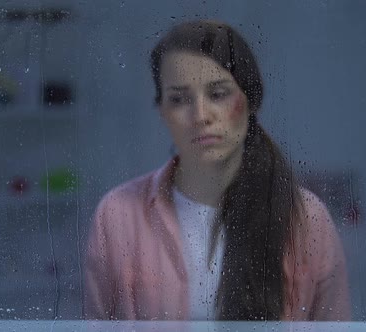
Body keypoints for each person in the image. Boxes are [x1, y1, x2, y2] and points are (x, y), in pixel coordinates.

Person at [83, 20, 350, 321]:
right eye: (179, 99)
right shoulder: (118, 214)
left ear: (250, 100)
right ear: (162, 111)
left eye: (218, 94)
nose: (200, 116)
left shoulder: (305, 218)